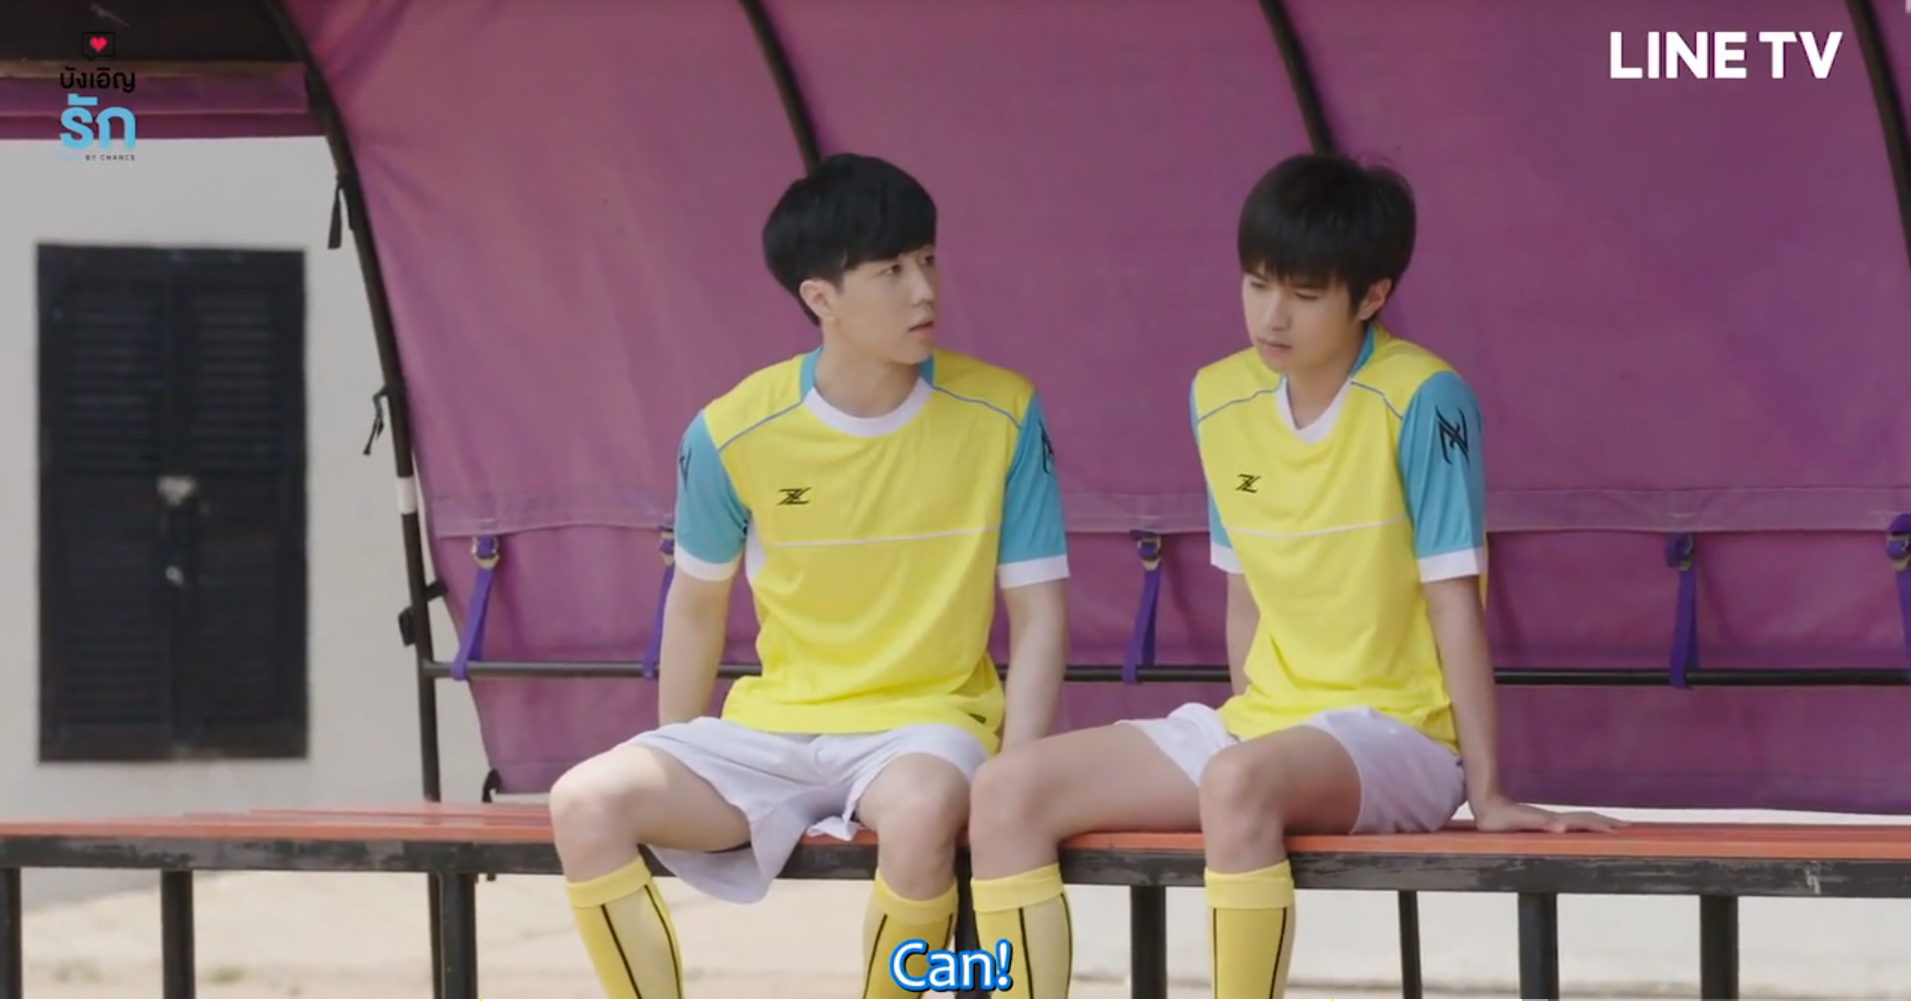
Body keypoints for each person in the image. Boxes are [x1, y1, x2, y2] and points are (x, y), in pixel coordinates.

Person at [963, 152, 1621, 999]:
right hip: (1265, 728)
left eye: (1304, 294)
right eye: (1256, 283)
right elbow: (1245, 593)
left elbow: (1453, 602)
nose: (1270, 316)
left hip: (1401, 737)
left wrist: (1486, 791)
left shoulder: (1425, 397)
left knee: (1235, 781)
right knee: (1005, 788)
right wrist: (1261, 732)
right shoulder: (1216, 395)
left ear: (1372, 296)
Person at [547, 152, 1071, 999]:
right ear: (820, 297)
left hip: (925, 730)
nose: (924, 290)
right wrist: (679, 744)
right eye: (891, 270)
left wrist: (1015, 777)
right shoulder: (728, 431)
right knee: (583, 800)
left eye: (927, 260)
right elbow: (696, 606)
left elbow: (1040, 614)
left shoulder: (1003, 410)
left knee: (922, 815)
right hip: (771, 730)